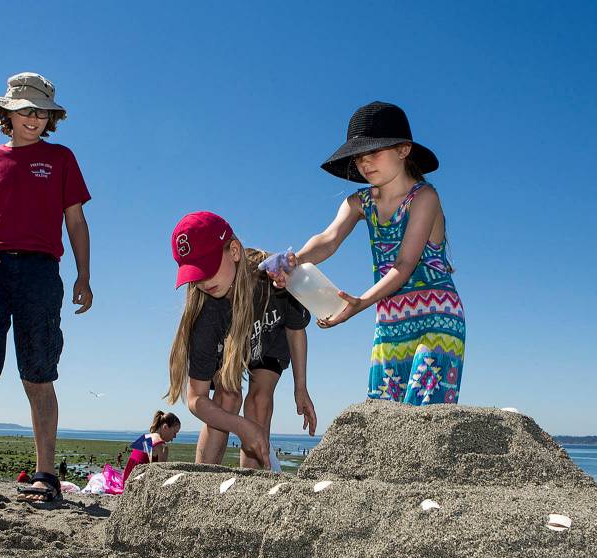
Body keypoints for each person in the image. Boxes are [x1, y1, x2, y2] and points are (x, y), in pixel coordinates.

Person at [0, 72, 92, 506]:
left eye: (41, 111)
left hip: (42, 273)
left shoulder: (62, 158)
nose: (33, 117)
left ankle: (46, 474)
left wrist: (83, 275)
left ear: (51, 117)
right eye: (25, 109)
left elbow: (76, 222)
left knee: (38, 375)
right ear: (6, 113)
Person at [266, 102, 464, 405]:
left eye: (374, 152)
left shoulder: (424, 197)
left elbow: (405, 263)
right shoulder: (359, 202)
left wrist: (359, 304)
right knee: (382, 420)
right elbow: (328, 239)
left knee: (424, 422)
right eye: (358, 157)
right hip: (390, 323)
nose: (364, 163)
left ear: (403, 149)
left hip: (436, 321)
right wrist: (296, 260)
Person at [165, 212, 317, 469]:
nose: (202, 282)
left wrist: (300, 387)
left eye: (208, 267)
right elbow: (196, 399)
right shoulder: (207, 313)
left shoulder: (274, 279)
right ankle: (202, 482)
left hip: (269, 335)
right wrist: (239, 426)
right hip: (228, 342)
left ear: (234, 251)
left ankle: (251, 489)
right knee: (227, 397)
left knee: (259, 401)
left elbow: (295, 329)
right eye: (195, 274)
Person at [122, 411, 182, 484]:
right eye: (174, 432)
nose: (175, 436)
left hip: (126, 481)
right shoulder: (162, 446)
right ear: (165, 427)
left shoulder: (145, 437)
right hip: (137, 484)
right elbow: (160, 474)